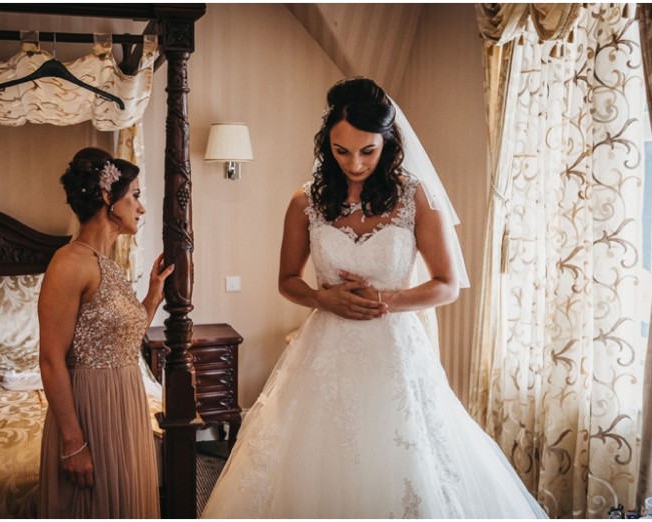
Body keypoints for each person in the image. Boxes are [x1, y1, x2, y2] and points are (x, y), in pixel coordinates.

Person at [202, 78, 548, 518]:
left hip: (396, 353)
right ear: (328, 143)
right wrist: (323, 300)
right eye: (342, 150)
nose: (355, 163)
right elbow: (288, 280)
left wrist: (384, 299)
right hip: (325, 352)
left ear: (388, 142)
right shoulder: (306, 200)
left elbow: (446, 283)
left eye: (368, 150)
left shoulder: (413, 197)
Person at [37, 147, 173, 518]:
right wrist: (73, 442)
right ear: (106, 198)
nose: (141, 208)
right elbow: (50, 359)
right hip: (91, 407)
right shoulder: (69, 263)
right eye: (135, 196)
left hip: (125, 402)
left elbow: (121, 340)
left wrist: (153, 295)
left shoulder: (108, 265)